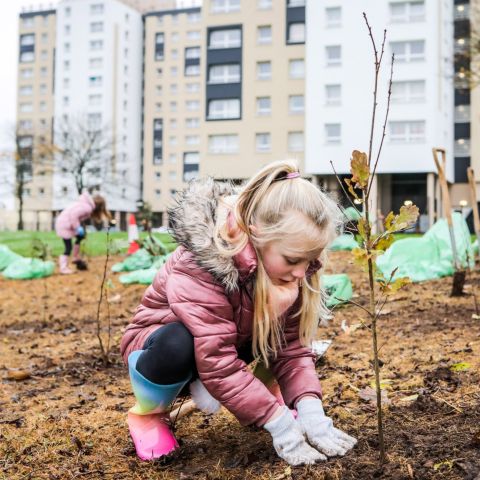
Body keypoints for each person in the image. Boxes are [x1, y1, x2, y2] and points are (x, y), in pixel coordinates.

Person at [120, 160, 357, 465]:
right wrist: (279, 423)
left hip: (225, 343)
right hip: (162, 347)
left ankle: (267, 398)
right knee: (177, 344)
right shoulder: (202, 264)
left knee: (271, 331)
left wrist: (311, 408)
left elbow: (292, 348)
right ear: (256, 235)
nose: (302, 272)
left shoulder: (294, 269)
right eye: (292, 259)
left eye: (310, 260)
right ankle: (149, 416)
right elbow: (217, 360)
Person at [55, 192, 111, 274]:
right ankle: (63, 268)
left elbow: (77, 217)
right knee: (68, 247)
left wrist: (80, 229)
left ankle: (75, 258)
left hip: (66, 224)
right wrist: (78, 228)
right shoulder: (87, 207)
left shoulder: (85, 204)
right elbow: (73, 215)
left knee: (79, 237)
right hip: (64, 225)